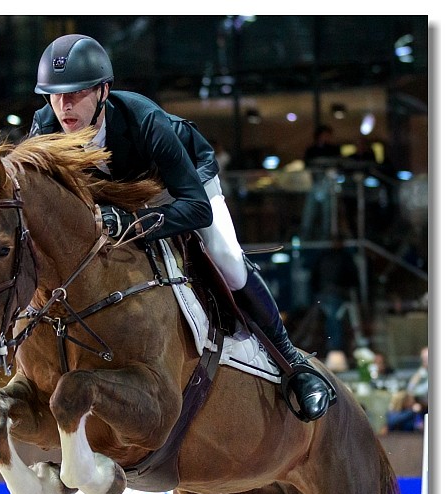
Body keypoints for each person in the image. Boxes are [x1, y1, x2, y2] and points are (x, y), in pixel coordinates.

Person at [29, 34, 333, 422]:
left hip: (180, 185)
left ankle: (293, 366)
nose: (64, 105)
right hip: (116, 196)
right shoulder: (44, 130)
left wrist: (131, 223)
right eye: (55, 95)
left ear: (104, 90)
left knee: (226, 256)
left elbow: (196, 209)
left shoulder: (145, 120)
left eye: (77, 93)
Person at [300, 124, 341, 241]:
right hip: (314, 184)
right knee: (308, 214)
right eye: (325, 135)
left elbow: (337, 164)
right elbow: (307, 165)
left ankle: (326, 240)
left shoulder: (333, 149)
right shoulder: (311, 150)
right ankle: (305, 239)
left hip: (329, 186)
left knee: (328, 215)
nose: (327, 137)